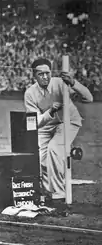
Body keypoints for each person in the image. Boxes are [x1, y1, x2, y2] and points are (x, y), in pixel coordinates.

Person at [24, 58, 93, 204]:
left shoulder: (60, 83)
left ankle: (59, 196)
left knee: (54, 149)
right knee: (40, 157)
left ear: (51, 72)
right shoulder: (30, 93)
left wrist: (73, 83)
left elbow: (88, 98)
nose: (45, 77)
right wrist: (51, 110)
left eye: (47, 73)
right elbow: (37, 122)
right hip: (46, 125)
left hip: (68, 122)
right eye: (40, 74)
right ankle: (47, 194)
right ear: (34, 75)